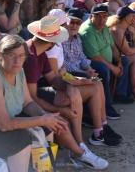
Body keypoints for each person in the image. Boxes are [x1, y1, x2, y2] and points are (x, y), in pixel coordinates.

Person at [0, 35, 80, 172]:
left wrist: (46, 117)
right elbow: (3, 124)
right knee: (20, 139)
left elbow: (27, 102)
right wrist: (42, 119)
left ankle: (44, 169)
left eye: (21, 56)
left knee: (46, 127)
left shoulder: (18, 70)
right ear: (0, 55)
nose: (17, 61)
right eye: (11, 55)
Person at [23, 16, 109, 169]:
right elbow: (31, 99)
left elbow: (53, 79)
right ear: (53, 41)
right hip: (25, 102)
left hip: (32, 96)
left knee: (73, 91)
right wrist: (61, 110)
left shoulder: (39, 51)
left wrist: (70, 84)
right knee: (61, 120)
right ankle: (80, 151)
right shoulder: (30, 57)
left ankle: (80, 143)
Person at [44, 9, 122, 147]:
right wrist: (84, 74)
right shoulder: (57, 42)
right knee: (97, 82)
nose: (74, 25)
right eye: (71, 22)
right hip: (66, 76)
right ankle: (98, 131)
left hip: (71, 74)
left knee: (97, 79)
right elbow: (62, 67)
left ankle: (102, 125)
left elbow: (80, 57)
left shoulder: (76, 38)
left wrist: (88, 69)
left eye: (77, 23)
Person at [79, 3, 132, 119]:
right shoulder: (88, 31)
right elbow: (95, 57)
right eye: (98, 16)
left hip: (104, 59)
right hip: (90, 62)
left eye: (104, 17)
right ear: (91, 16)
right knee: (104, 70)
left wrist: (118, 62)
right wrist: (114, 68)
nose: (102, 20)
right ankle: (106, 106)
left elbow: (112, 46)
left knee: (125, 60)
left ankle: (120, 93)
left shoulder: (104, 28)